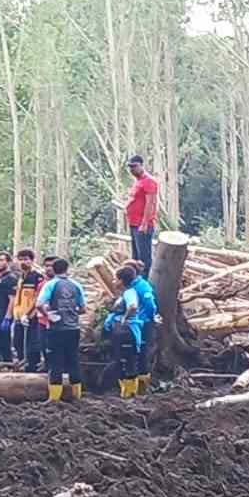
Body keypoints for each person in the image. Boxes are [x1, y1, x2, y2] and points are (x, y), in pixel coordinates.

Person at [37, 257, 87, 402]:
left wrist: (48, 314)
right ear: (67, 269)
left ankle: (54, 399)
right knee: (73, 360)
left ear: (53, 269)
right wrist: (71, 312)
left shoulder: (51, 284)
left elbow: (39, 304)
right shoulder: (76, 285)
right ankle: (77, 396)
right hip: (73, 328)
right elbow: (83, 309)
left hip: (56, 328)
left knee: (55, 362)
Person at [104, 265, 146, 399]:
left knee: (128, 361)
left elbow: (132, 306)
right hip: (121, 332)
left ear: (122, 281)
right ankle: (126, 392)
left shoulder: (129, 293)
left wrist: (124, 319)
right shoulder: (124, 293)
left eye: (115, 279)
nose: (113, 282)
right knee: (122, 361)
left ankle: (130, 394)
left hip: (127, 332)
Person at [9, 249, 46, 373]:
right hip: (18, 316)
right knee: (17, 343)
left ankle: (32, 369)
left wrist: (28, 314)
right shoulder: (21, 277)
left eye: (26, 259)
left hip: (31, 317)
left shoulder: (37, 277)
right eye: (20, 259)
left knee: (31, 346)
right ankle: (22, 365)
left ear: (32, 261)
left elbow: (37, 298)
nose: (23, 262)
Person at [128, 261, 159, 394]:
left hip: (144, 324)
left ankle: (142, 388)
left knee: (142, 354)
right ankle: (134, 387)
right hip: (136, 323)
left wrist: (150, 318)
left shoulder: (143, 286)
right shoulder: (131, 287)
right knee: (133, 353)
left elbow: (151, 305)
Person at [124, 155, 159, 269]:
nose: (132, 170)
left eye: (134, 166)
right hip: (134, 223)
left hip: (142, 225)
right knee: (135, 256)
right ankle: (135, 281)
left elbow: (150, 204)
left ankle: (145, 281)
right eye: (130, 167)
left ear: (141, 165)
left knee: (143, 258)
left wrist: (144, 223)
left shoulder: (149, 181)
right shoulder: (138, 182)